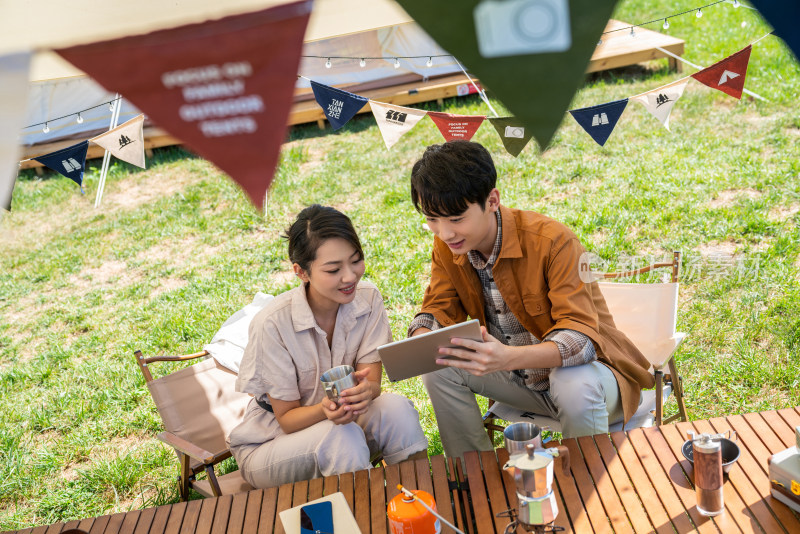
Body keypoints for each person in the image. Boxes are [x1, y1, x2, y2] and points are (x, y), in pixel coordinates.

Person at [407, 141, 654, 459]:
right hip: (520, 382)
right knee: (439, 367)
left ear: (492, 200)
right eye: (431, 220)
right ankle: (476, 477)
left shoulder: (553, 241)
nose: (445, 232)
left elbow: (580, 343)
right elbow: (437, 305)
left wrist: (506, 357)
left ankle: (584, 482)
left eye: (456, 218)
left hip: (593, 381)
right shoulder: (447, 247)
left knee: (571, 381)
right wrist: (422, 337)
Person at [229, 205, 428, 488]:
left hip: (343, 425)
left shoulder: (368, 299)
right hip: (272, 444)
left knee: (397, 410)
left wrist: (364, 392)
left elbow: (372, 384)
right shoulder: (272, 325)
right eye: (333, 269)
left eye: (356, 260)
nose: (350, 277)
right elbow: (286, 419)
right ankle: (370, 518)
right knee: (340, 436)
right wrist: (327, 410)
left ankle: (420, 501)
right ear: (302, 272)